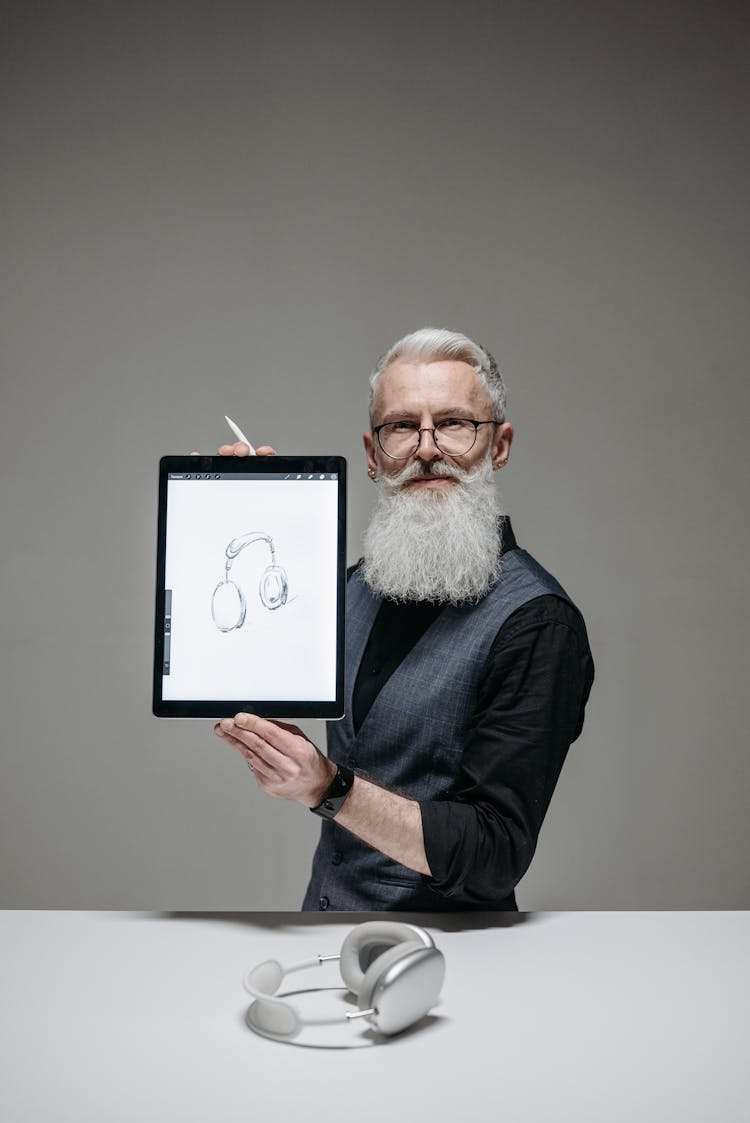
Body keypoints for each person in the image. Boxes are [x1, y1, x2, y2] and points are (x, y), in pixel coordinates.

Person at [215, 327, 594, 910]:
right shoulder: (354, 588)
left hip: (453, 961)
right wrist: (233, 509)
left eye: (453, 423)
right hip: (327, 933)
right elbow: (245, 655)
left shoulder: (539, 624)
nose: (426, 448)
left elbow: (495, 853)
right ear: (373, 455)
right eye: (400, 426)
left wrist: (327, 787)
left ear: (499, 446)